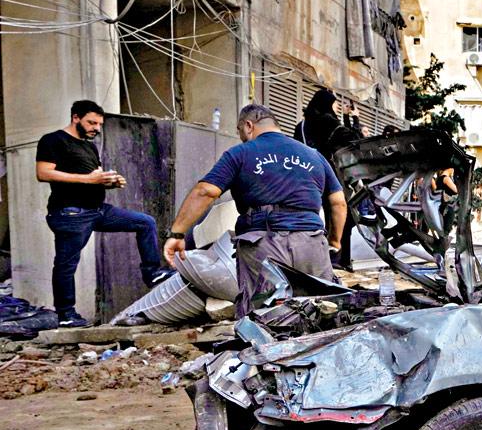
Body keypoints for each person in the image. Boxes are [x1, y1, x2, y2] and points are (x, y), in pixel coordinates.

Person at [163, 104, 347, 318]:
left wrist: (177, 234)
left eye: (240, 131)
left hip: (265, 246)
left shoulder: (240, 153)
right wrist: (334, 242)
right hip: (312, 244)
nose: (241, 137)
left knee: (266, 318)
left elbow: (205, 191)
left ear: (249, 126)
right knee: (320, 312)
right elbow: (338, 202)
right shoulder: (314, 156)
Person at [36, 99, 170, 328]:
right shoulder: (53, 140)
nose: (96, 128)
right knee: (66, 265)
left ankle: (152, 273)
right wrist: (89, 179)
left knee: (145, 222)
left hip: (98, 210)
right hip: (70, 213)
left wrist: (109, 181)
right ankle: (66, 315)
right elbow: (43, 173)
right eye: (91, 122)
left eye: (99, 124)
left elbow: (95, 176)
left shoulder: (89, 146)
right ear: (75, 117)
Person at [293, 89, 363, 268]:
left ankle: (313, 260)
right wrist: (353, 118)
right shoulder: (329, 122)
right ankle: (338, 258)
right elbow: (355, 141)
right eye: (335, 103)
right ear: (327, 104)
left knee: (313, 219)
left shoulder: (301, 126)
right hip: (331, 176)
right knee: (343, 217)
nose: (338, 106)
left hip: (307, 178)